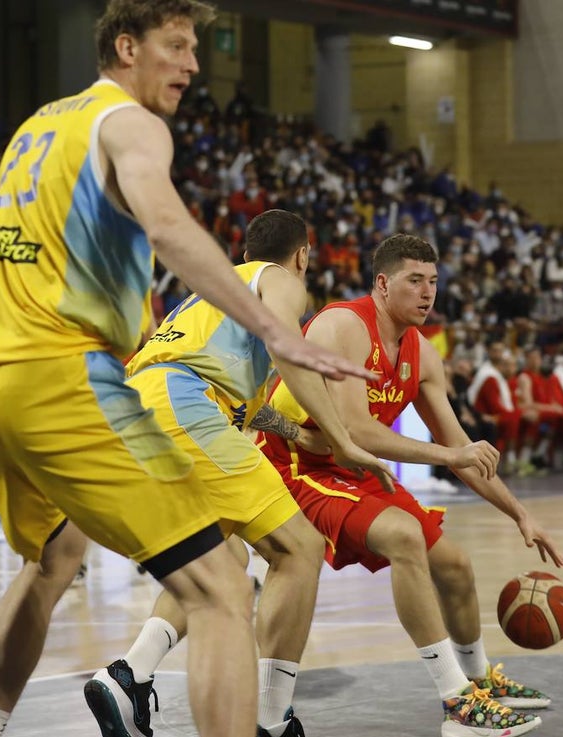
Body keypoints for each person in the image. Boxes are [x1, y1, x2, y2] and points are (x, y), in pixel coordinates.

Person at [0, 4, 378, 737]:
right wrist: (278, 329)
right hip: (57, 380)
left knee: (52, 563)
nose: (193, 64)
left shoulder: (40, 127)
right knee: (218, 587)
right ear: (126, 47)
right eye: (176, 46)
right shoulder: (133, 123)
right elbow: (170, 227)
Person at [84, 209, 392, 737]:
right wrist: (341, 441)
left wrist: (296, 433)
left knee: (219, 559)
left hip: (135, 412)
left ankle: (127, 676)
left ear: (246, 254)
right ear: (302, 256)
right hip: (184, 406)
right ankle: (271, 719)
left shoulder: (214, 290)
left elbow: (239, 395)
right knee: (300, 548)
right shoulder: (281, 282)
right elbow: (283, 347)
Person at [261, 234, 563, 737]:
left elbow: (461, 449)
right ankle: (456, 705)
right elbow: (357, 430)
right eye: (415, 281)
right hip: (296, 461)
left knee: (455, 564)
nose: (428, 293)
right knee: (404, 537)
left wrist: (520, 513)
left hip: (355, 468)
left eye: (434, 283)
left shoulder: (423, 354)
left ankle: (478, 685)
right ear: (383, 284)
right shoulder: (344, 325)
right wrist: (451, 455)